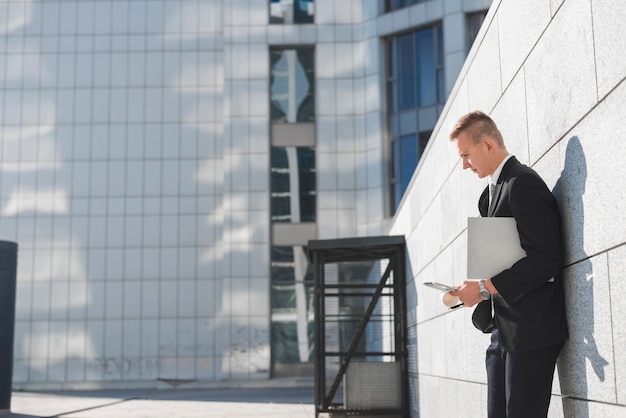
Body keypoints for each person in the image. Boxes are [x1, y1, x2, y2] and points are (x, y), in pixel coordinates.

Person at [448, 111, 568, 418]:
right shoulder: (487, 196)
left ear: (487, 145)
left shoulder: (522, 183)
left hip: (530, 333)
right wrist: (474, 288)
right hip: (502, 333)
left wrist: (485, 288)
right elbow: (500, 259)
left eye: (466, 155)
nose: (464, 165)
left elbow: (546, 259)